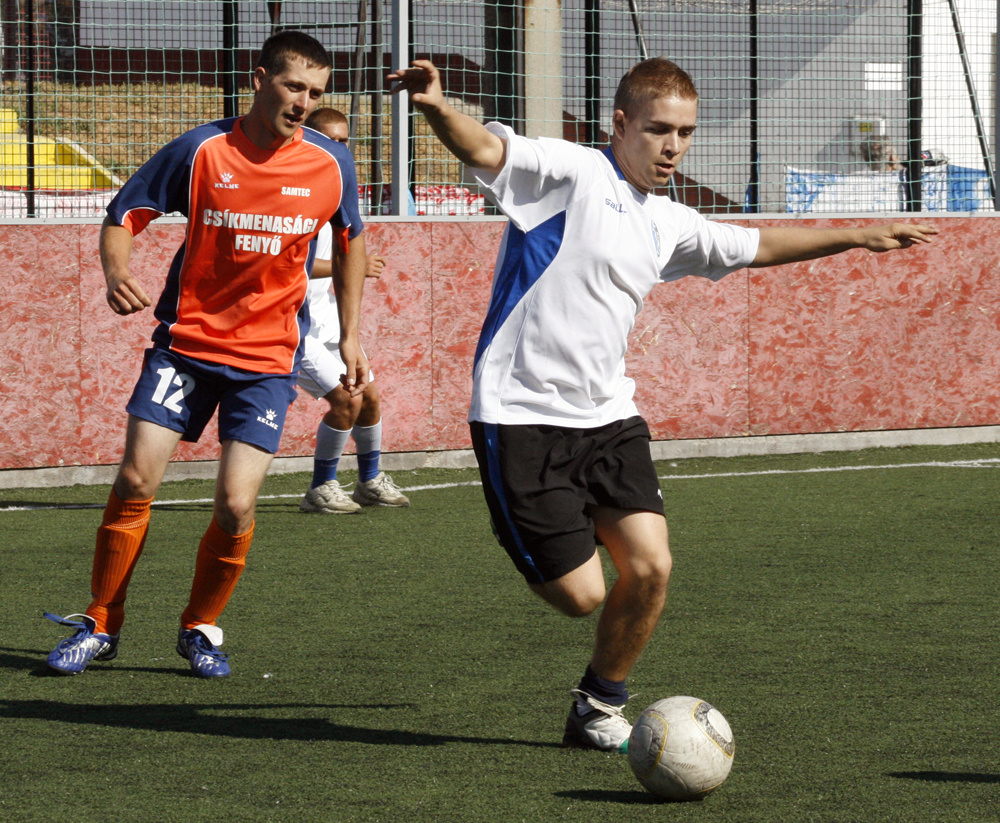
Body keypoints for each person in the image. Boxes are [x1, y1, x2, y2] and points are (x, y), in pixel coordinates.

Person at [388, 58, 938, 751]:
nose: (673, 145)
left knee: (651, 566)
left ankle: (597, 703)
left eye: (685, 132)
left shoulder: (666, 221)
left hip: (609, 417)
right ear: (621, 126)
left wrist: (857, 235)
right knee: (581, 596)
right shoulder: (569, 174)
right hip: (520, 413)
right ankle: (532, 521)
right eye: (658, 130)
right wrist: (436, 107)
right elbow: (485, 148)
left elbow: (756, 244)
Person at [43, 31, 369, 678]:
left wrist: (352, 335)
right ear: (258, 79)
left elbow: (353, 238)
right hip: (186, 347)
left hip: (268, 360)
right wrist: (115, 273)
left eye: (316, 92)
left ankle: (199, 627)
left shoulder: (331, 164)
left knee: (237, 504)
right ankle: (101, 620)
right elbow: (124, 213)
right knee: (137, 478)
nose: (304, 102)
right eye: (293, 86)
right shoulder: (202, 149)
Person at [298, 108, 409, 513]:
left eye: (345, 141)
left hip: (331, 325)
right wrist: (353, 266)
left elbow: (348, 254)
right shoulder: (295, 192)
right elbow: (287, 260)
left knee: (371, 399)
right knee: (346, 402)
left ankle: (369, 481)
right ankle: (321, 487)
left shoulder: (339, 190)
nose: (341, 149)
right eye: (332, 140)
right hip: (295, 328)